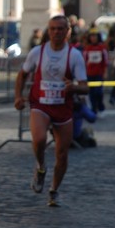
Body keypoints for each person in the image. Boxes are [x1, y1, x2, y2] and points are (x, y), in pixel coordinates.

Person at [14, 14, 88, 207]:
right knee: (38, 139)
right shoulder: (38, 52)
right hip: (40, 103)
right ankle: (40, 167)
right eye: (53, 29)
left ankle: (54, 190)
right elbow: (22, 74)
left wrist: (73, 87)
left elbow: (85, 87)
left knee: (62, 154)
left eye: (60, 29)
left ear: (67, 32)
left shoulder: (74, 55)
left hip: (63, 108)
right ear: (48, 30)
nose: (56, 32)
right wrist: (18, 96)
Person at [83, 27, 108, 115]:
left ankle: (100, 106)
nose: (93, 38)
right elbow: (84, 61)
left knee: (99, 92)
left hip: (99, 74)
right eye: (92, 36)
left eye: (95, 36)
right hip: (89, 74)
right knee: (92, 93)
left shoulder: (102, 48)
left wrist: (105, 72)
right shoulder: (87, 48)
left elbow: (105, 61)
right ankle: (94, 109)